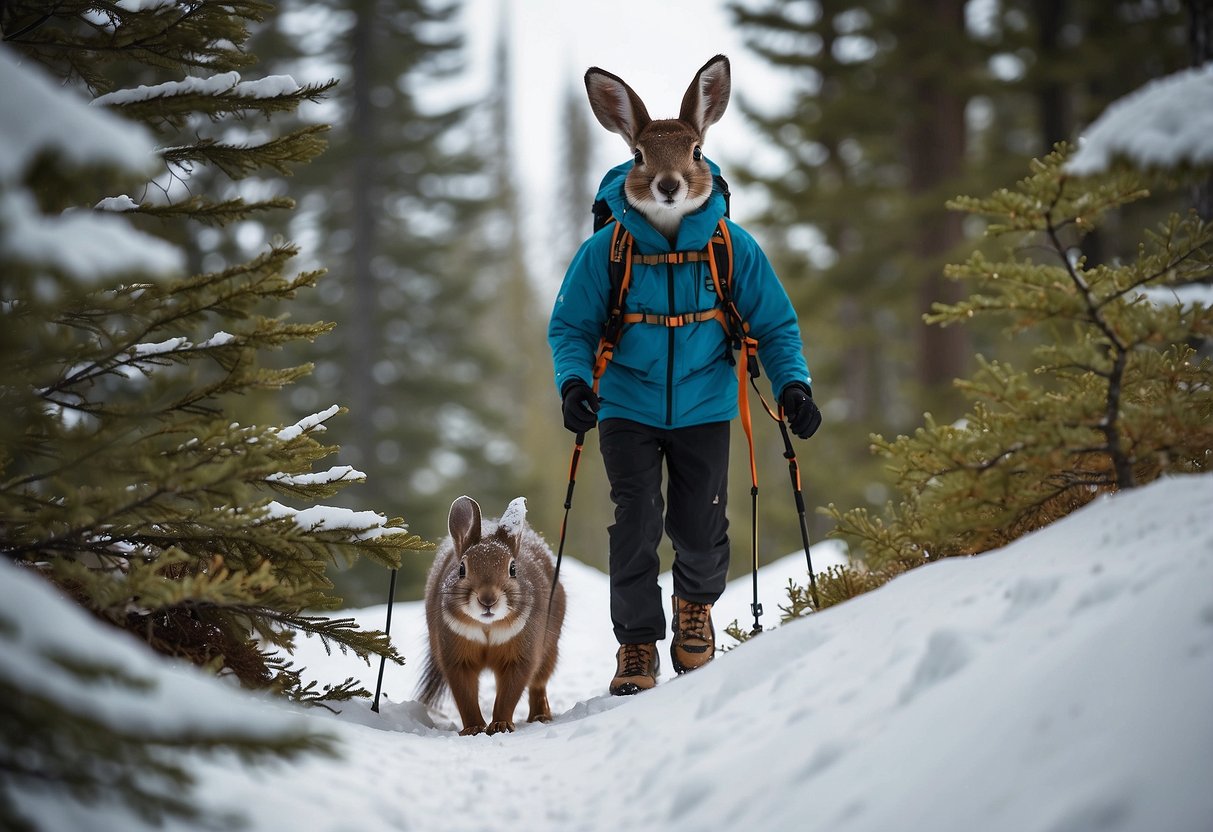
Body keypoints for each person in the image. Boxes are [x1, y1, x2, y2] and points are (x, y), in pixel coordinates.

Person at [548, 55, 821, 696]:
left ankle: (694, 611)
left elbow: (776, 325)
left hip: (703, 403)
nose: (668, 176)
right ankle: (637, 647)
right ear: (632, 156)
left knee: (702, 527)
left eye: (686, 158)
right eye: (649, 161)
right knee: (635, 521)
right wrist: (573, 383)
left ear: (701, 157)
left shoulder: (732, 246)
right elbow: (571, 329)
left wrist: (793, 387)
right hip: (625, 405)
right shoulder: (607, 249)